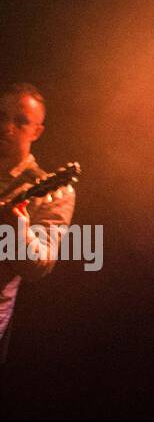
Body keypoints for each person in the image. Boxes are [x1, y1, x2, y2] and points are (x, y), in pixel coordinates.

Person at [0, 83, 76, 366]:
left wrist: (18, 235)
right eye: (0, 116)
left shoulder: (52, 192)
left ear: (37, 132)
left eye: (20, 121)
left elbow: (40, 265)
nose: (7, 127)